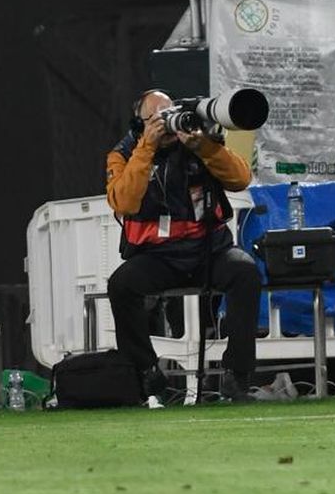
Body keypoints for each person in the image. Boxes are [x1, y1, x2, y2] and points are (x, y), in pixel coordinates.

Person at [105, 89, 260, 404]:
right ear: (141, 122)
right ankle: (146, 371)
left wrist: (204, 147)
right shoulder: (124, 153)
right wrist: (147, 147)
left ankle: (237, 376)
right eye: (157, 118)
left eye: (169, 113)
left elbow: (241, 179)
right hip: (158, 256)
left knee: (245, 272)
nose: (166, 123)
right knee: (121, 285)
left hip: (208, 249)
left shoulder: (197, 139)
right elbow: (125, 202)